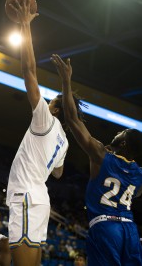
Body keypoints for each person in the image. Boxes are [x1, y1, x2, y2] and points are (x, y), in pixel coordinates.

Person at [6, 0, 84, 266]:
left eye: (51, 100)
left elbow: (29, 71)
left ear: (56, 110)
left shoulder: (44, 120)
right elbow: (59, 172)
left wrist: (25, 25)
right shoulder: (64, 141)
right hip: (40, 199)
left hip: (26, 196)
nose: (46, 100)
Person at [51, 54, 142, 265]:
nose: (118, 132)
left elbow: (72, 119)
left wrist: (66, 80)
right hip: (130, 230)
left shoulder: (101, 154)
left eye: (123, 132)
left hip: (106, 227)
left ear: (124, 144)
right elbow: (136, 193)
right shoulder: (138, 172)